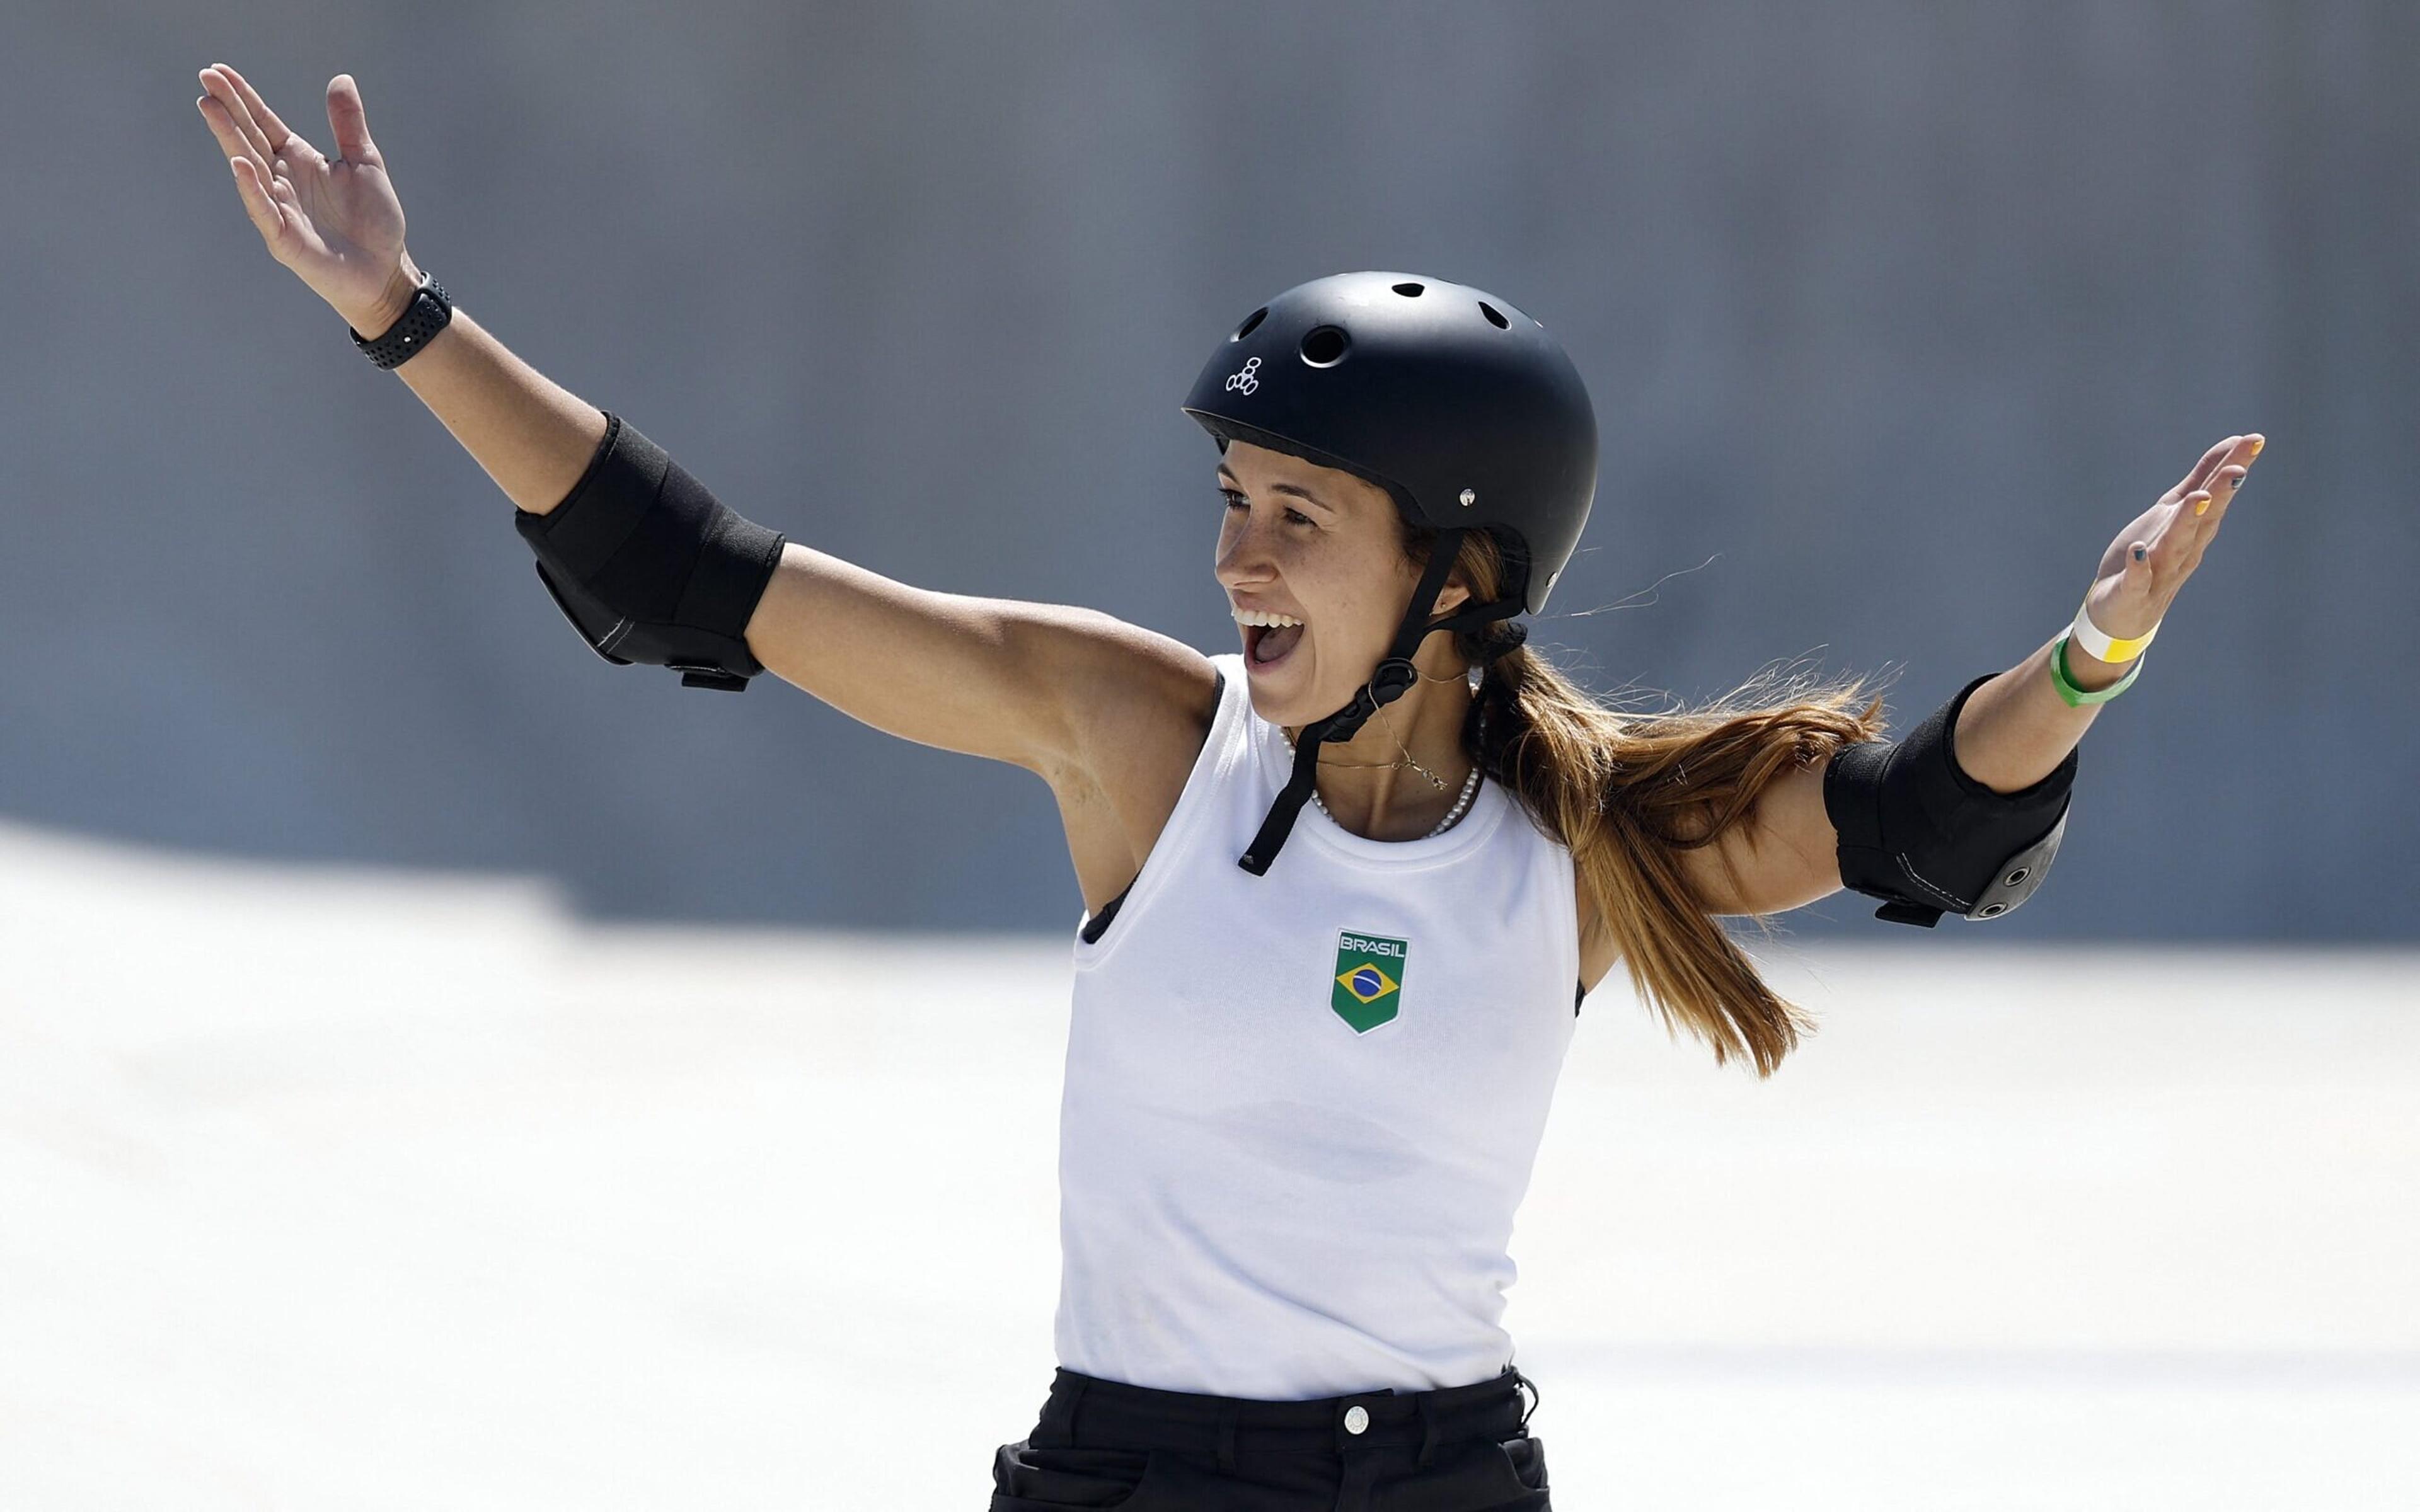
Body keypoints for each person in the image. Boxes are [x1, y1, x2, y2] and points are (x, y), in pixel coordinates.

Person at [195, 62, 2263, 1512]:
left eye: (1297, 516)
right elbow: (704, 585)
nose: (1234, 559)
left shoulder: (1588, 840)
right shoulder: (1141, 743)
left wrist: (2095, 656)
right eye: (1229, 503)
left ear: (1459, 575)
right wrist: (405, 320)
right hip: (1135, 1470)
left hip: (1451, 1479)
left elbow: (1919, 819)